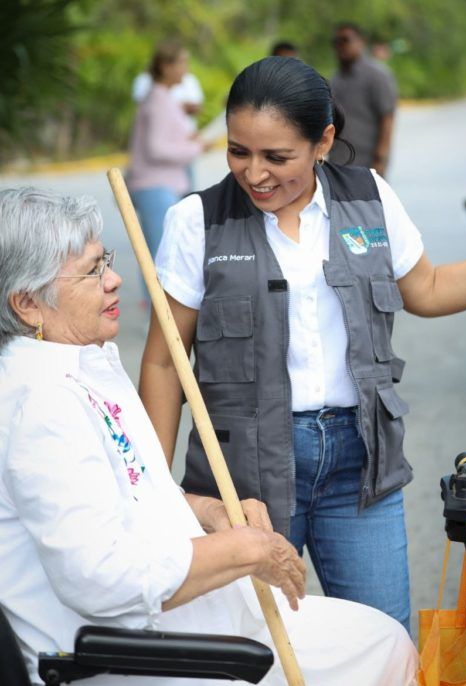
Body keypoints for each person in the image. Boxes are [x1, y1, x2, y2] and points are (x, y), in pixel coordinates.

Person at [0, 187, 418, 686]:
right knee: (378, 653)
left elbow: (127, 493)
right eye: (92, 271)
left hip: (186, 621)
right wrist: (246, 551)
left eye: (105, 260)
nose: (114, 280)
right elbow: (101, 577)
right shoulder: (41, 404)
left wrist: (210, 512)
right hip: (140, 655)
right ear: (27, 304)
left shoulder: (82, 364)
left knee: (383, 638)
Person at [139, 56, 466, 633]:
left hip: (360, 469)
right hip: (243, 482)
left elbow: (427, 288)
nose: (254, 173)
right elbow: (162, 361)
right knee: (255, 652)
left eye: (276, 156)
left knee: (383, 642)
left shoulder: (368, 197)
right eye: (238, 151)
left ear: (323, 141)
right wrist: (154, 491)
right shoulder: (194, 223)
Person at [127, 40, 208, 303]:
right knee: (160, 259)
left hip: (161, 185)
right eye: (182, 62)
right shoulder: (159, 100)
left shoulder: (161, 97)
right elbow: (157, 149)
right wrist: (195, 148)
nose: (186, 68)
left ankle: (160, 319)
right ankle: (159, 322)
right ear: (165, 66)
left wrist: (190, 140)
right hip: (155, 186)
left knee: (161, 256)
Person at [328, 22, 397, 177]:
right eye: (336, 42)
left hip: (367, 162)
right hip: (338, 160)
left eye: (345, 40)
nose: (340, 46)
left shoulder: (377, 76)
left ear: (361, 42)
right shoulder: (336, 79)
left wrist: (381, 158)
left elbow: (387, 117)